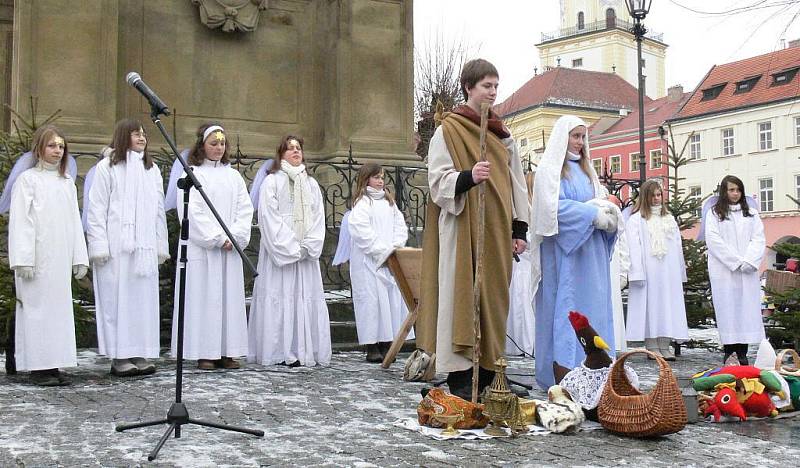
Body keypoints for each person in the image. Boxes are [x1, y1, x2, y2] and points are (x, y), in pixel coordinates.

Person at [416, 58, 530, 399]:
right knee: (462, 296)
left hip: (496, 230)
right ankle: (462, 377)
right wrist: (468, 177)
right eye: (486, 86)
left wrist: (519, 229)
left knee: (494, 298)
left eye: (496, 86)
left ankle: (493, 372)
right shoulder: (448, 130)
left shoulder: (503, 134)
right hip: (463, 226)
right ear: (469, 87)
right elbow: (436, 181)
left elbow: (517, 183)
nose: (493, 92)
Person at [530, 115, 619, 390]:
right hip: (565, 254)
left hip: (591, 254)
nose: (580, 142)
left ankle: (598, 370)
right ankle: (565, 372)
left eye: (583, 137)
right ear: (562, 137)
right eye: (575, 136)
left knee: (594, 310)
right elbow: (551, 211)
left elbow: (602, 201)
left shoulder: (588, 171)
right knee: (568, 309)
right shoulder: (550, 171)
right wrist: (592, 214)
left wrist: (609, 212)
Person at [86, 118, 169, 376]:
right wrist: (98, 245)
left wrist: (159, 243)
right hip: (116, 249)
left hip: (143, 248)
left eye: (144, 134)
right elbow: (96, 208)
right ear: (124, 136)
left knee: (141, 301)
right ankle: (119, 356)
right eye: (136, 134)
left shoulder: (151, 170)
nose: (142, 138)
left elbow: (158, 210)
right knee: (117, 301)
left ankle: (139, 351)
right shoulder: (107, 168)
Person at [7, 125, 89, 386]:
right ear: (40, 148)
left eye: (61, 147)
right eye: (52, 146)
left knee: (58, 313)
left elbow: (74, 222)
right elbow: (21, 221)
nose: (57, 151)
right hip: (37, 258)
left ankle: (53, 363)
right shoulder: (28, 180)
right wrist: (23, 258)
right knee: (37, 311)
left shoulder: (66, 182)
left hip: (60, 258)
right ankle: (38, 367)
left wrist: (79, 256)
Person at [172, 123, 253, 370]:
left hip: (230, 250)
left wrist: (236, 236)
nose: (219, 148)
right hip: (205, 250)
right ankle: (204, 351)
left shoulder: (233, 176)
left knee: (228, 300)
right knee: (204, 300)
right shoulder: (192, 174)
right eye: (214, 144)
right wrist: (217, 238)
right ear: (202, 145)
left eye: (222, 144)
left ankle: (228, 350)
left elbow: (244, 208)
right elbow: (192, 212)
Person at [247, 135, 331, 367]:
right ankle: (278, 350)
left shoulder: (311, 184)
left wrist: (308, 246)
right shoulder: (272, 181)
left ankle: (303, 349)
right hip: (281, 253)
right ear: (281, 154)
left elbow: (317, 217)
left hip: (304, 254)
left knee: (303, 299)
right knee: (279, 296)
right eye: (290, 148)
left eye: (298, 148)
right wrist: (289, 247)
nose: (295, 152)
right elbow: (268, 216)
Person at [348, 163, 411, 362]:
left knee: (389, 302)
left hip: (389, 260)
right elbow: (360, 231)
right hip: (370, 262)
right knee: (372, 303)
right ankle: (371, 345)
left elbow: (400, 226)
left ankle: (387, 342)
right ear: (366, 179)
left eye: (382, 177)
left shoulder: (389, 203)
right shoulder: (362, 204)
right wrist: (381, 251)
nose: (381, 181)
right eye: (376, 177)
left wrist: (395, 246)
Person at [705, 175, 765, 365]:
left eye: (738, 190)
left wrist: (749, 260)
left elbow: (758, 239)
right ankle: (729, 350)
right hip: (725, 271)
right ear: (724, 191)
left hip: (747, 271)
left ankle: (742, 351)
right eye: (731, 190)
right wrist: (735, 261)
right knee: (728, 309)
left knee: (745, 309)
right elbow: (714, 240)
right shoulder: (714, 214)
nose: (735, 193)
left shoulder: (752, 214)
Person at [625, 180, 688, 361]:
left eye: (659, 195)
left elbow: (677, 246)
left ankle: (664, 344)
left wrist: (680, 270)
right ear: (646, 197)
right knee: (650, 306)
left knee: (667, 306)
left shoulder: (669, 219)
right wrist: (637, 272)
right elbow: (633, 247)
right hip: (648, 271)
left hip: (668, 272)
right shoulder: (637, 220)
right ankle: (651, 345)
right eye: (653, 195)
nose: (656, 199)